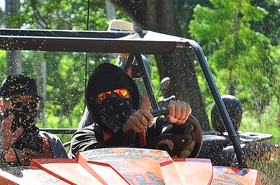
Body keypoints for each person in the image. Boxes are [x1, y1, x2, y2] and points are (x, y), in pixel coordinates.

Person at [70, 63, 201, 158]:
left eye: (120, 93)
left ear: (131, 96)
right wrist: (124, 133)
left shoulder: (151, 124)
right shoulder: (85, 137)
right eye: (104, 96)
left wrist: (180, 121)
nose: (114, 99)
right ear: (94, 104)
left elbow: (175, 135)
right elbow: (91, 157)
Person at [0, 74, 67, 179]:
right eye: (16, 102)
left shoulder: (51, 142)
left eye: (32, 102)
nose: (25, 107)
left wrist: (49, 165)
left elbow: (71, 181)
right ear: (1, 104)